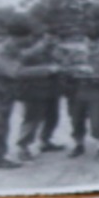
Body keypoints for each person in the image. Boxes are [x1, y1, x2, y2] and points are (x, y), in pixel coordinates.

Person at [0, 19, 57, 170]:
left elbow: (26, 54)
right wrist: (48, 69)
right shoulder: (2, 52)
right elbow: (16, 72)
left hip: (3, 91)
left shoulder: (12, 48)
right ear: (19, 37)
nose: (31, 40)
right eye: (29, 37)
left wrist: (44, 44)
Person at [64, 29, 99, 162]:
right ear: (84, 40)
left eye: (95, 41)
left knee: (98, 121)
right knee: (76, 120)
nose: (91, 44)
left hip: (98, 91)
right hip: (77, 91)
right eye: (88, 40)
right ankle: (78, 144)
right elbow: (65, 68)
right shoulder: (76, 53)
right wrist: (76, 69)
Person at [14, 31, 65, 162]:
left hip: (52, 91)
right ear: (41, 38)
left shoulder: (55, 52)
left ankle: (45, 142)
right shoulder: (29, 54)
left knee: (53, 118)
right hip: (34, 93)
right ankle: (22, 147)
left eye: (55, 38)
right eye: (49, 38)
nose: (52, 41)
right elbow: (19, 73)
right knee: (31, 120)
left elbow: (61, 67)